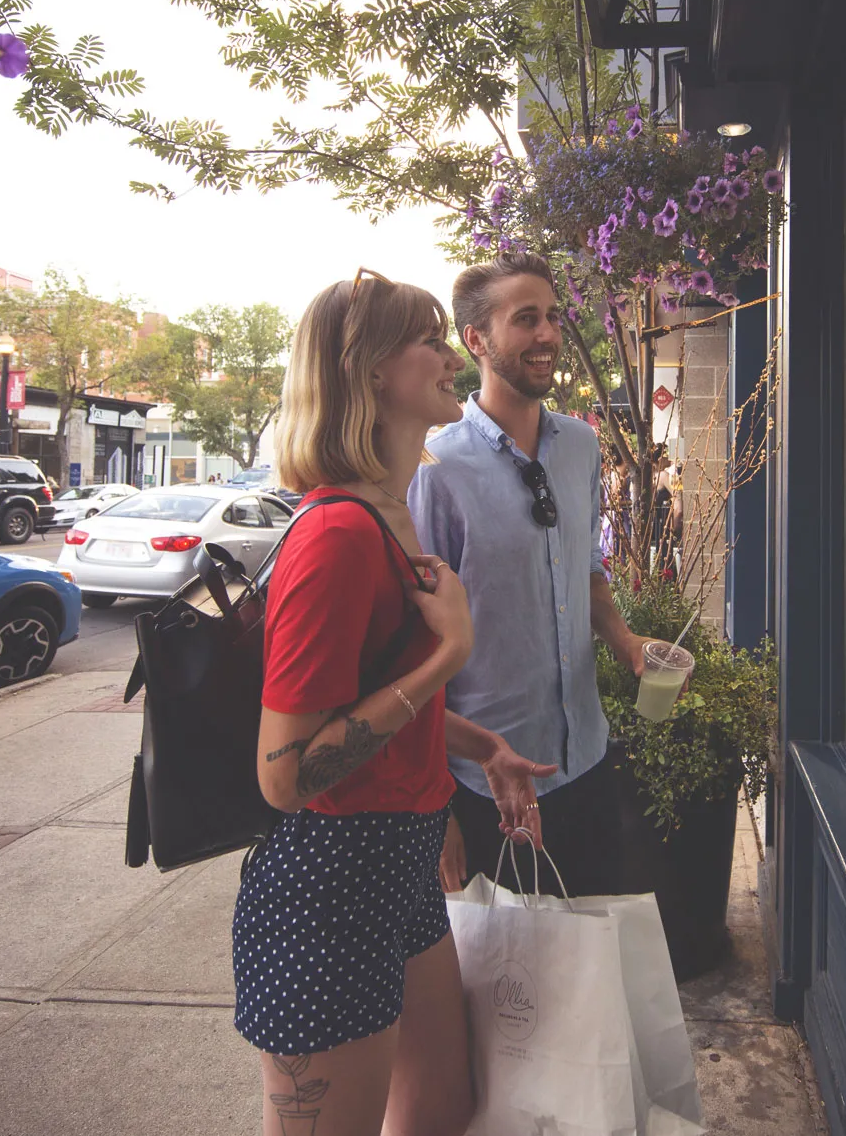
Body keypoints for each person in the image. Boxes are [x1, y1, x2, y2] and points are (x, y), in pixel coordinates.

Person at [235, 268, 511, 1136]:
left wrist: (478, 746)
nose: (448, 355)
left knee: (439, 1105)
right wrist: (450, 658)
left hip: (399, 866)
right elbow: (287, 775)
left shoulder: (391, 516)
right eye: (429, 338)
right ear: (372, 371)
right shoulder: (337, 535)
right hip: (329, 881)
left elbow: (380, 703)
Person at [411, 251, 663, 898]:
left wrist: (628, 644)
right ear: (477, 340)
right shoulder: (436, 465)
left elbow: (589, 572)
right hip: (490, 787)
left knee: (590, 977)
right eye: (526, 319)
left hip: (587, 762)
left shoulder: (581, 444)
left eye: (552, 316)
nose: (548, 334)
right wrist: (436, 808)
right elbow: (415, 646)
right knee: (513, 993)